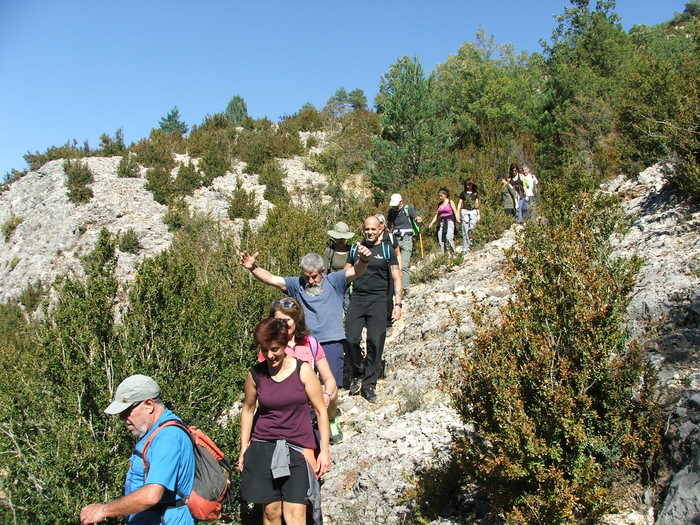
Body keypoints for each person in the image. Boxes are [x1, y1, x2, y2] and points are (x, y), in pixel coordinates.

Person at [240, 244, 371, 390]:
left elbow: (356, 271)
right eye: (306, 277)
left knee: (330, 386)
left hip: (331, 343)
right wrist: (253, 268)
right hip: (305, 343)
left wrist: (364, 259)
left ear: (322, 271)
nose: (310, 281)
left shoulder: (335, 281)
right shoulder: (297, 284)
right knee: (301, 387)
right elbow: (271, 279)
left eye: (314, 276)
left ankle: (327, 412)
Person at [239, 318, 330, 525]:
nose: (270, 355)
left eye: (275, 349)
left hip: (297, 448)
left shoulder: (303, 370)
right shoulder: (256, 375)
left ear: (285, 345)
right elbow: (248, 409)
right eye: (265, 350)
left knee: (296, 514)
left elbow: (320, 411)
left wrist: (324, 451)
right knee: (271, 512)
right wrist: (244, 447)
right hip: (263, 447)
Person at [80, 375, 195, 525]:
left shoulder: (168, 437)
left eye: (127, 411)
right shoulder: (155, 432)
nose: (123, 418)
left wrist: (103, 510)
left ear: (149, 404)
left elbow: (151, 495)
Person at [261, 297, 342, 443]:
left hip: (310, 397)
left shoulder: (310, 343)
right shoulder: (268, 348)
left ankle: (330, 419)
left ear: (296, 320)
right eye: (278, 321)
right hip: (285, 402)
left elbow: (328, 378)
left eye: (287, 320)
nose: (283, 325)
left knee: (332, 390)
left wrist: (327, 395)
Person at [344, 216, 402, 402]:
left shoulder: (387, 250)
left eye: (373, 229)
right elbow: (345, 275)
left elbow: (396, 276)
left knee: (375, 341)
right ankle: (357, 372)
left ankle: (369, 384)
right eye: (366, 229)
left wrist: (398, 303)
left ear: (381, 229)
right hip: (357, 299)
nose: (369, 232)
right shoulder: (354, 249)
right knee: (351, 338)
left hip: (379, 301)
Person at [387, 193, 421, 296]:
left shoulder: (408, 209)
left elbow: (415, 217)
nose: (394, 207)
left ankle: (405, 289)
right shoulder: (392, 212)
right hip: (395, 239)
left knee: (405, 265)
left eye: (396, 205)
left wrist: (418, 219)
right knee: (394, 265)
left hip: (406, 239)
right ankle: (395, 288)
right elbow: (389, 225)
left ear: (401, 202)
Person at [376, 213, 401, 327]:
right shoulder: (370, 238)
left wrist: (399, 269)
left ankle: (387, 320)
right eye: (377, 222)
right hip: (376, 272)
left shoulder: (390, 237)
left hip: (390, 270)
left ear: (384, 223)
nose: (379, 225)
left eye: (381, 222)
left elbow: (398, 253)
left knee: (388, 295)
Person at [428, 188, 458, 253]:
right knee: (441, 240)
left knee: (449, 237)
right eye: (439, 195)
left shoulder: (450, 202)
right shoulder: (440, 204)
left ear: (445, 195)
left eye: (441, 195)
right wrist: (431, 223)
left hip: (449, 221)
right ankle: (444, 255)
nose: (440, 197)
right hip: (441, 223)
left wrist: (458, 218)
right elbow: (437, 215)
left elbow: (455, 211)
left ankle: (453, 252)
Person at [456, 180, 480, 253]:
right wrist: (457, 213)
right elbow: (460, 203)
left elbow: (477, 204)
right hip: (465, 212)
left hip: (473, 212)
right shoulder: (463, 193)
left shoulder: (475, 193)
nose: (468, 186)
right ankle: (465, 248)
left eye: (469, 185)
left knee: (472, 228)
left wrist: (478, 214)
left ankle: (472, 245)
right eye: (467, 185)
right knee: (465, 230)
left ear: (472, 185)